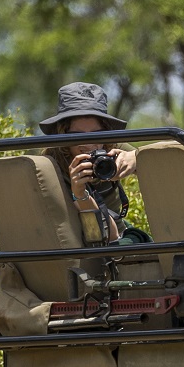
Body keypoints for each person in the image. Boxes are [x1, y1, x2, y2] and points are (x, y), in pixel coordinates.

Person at [38, 82, 147, 245]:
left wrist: (136, 158)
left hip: (118, 236)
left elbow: (166, 163)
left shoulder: (112, 147)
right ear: (62, 134)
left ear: (106, 132)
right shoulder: (51, 167)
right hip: (87, 243)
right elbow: (104, 236)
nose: (89, 144)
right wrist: (80, 194)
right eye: (77, 136)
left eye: (97, 134)